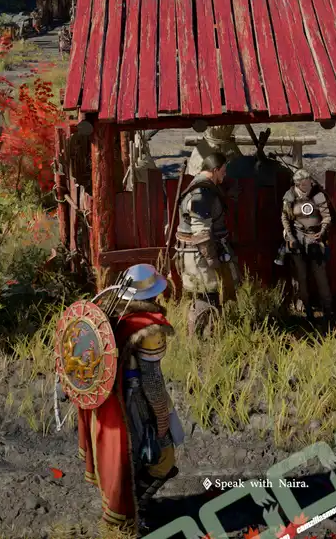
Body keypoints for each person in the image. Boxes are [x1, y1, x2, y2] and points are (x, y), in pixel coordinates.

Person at [78, 264, 182, 534]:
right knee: (160, 459)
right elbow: (152, 380)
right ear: (153, 294)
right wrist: (161, 417)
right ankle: (132, 515)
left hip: (106, 405)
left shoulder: (108, 318)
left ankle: (128, 511)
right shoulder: (149, 329)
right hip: (133, 405)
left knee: (124, 461)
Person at [174, 152, 237, 337]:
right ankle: (199, 342)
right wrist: (212, 260)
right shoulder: (202, 193)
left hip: (199, 254)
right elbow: (201, 232)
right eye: (223, 171)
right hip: (199, 256)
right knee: (206, 296)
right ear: (215, 170)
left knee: (209, 296)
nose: (225, 174)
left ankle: (207, 339)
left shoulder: (203, 188)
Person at [280, 168, 334, 318]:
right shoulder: (290, 196)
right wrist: (290, 236)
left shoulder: (317, 195)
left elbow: (327, 216)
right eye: (304, 184)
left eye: (309, 182)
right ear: (297, 184)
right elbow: (285, 218)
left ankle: (328, 309)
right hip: (297, 237)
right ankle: (306, 309)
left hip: (314, 238)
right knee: (301, 276)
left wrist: (322, 231)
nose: (308, 186)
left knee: (320, 275)